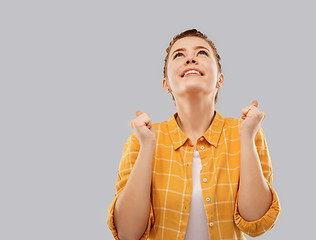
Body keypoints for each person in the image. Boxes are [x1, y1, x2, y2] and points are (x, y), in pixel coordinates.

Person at [107, 29, 281, 240]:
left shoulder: (247, 132)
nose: (190, 58)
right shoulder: (141, 138)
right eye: (179, 55)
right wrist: (147, 148)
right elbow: (127, 234)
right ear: (166, 84)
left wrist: (246, 138)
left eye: (202, 53)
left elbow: (256, 222)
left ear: (220, 79)